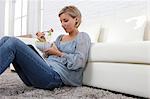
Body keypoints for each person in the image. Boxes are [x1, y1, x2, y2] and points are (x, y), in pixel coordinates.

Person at [0, 5, 91, 90]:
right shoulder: (60, 38)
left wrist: (58, 53)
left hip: (54, 78)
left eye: (65, 20)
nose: (62, 24)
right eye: (61, 21)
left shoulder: (82, 37)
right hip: (41, 72)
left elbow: (79, 62)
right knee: (6, 39)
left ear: (76, 19)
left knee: (13, 43)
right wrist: (43, 42)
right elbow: (47, 56)